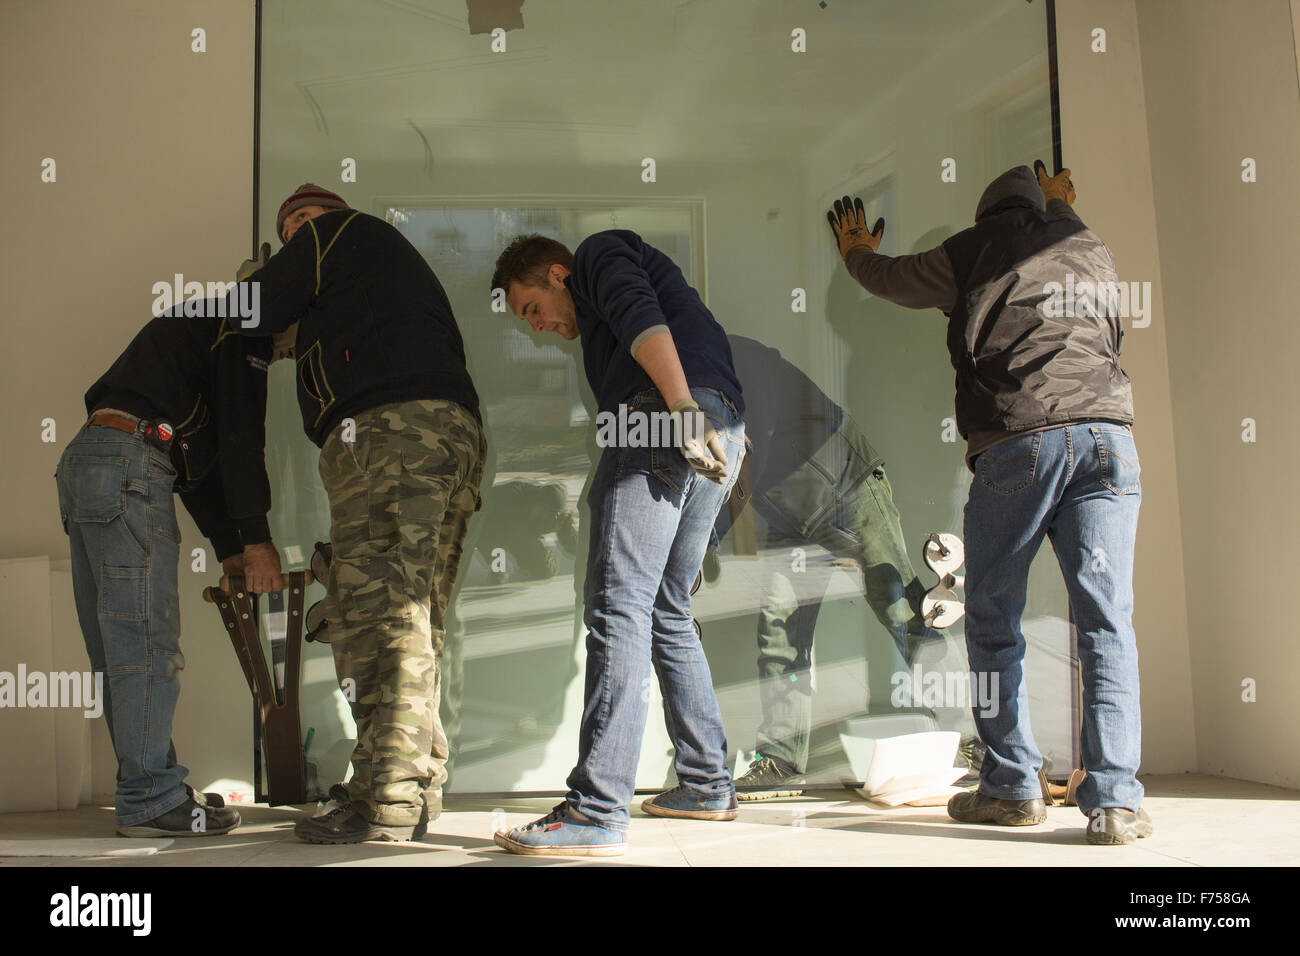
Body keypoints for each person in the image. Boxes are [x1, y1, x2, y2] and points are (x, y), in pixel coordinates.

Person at [827, 162, 1150, 845]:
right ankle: (1115, 802)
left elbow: (887, 279)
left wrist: (856, 249)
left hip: (1022, 441)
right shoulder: (1086, 243)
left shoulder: (972, 250)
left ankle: (1010, 785)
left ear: (986, 217)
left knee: (994, 618)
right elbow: (1067, 238)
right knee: (1106, 620)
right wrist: (1061, 203)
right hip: (1108, 440)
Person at [233, 183, 486, 844]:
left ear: (323, 222)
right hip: (444, 433)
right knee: (417, 615)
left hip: (386, 434)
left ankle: (382, 796)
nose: (296, 238)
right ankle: (415, 783)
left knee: (380, 618)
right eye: (288, 233)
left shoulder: (333, 239)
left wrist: (254, 281)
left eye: (300, 226)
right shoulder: (368, 274)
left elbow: (251, 314)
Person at [489, 230, 746, 856]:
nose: (538, 327)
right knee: (665, 609)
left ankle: (597, 809)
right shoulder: (600, 316)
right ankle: (708, 780)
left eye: (531, 309)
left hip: (668, 417)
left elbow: (639, 311)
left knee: (619, 605)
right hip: (721, 432)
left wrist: (678, 405)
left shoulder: (599, 254)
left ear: (556, 273)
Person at [54, 300, 277, 837]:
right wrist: (258, 542)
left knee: (115, 648)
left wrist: (228, 546)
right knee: (147, 643)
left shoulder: (195, 331)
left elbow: (195, 458)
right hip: (132, 461)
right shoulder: (243, 329)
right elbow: (238, 441)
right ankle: (150, 799)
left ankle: (152, 788)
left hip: (87, 458)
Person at [717, 335, 942, 799]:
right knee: (780, 632)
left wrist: (716, 529)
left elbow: (746, 447)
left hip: (847, 489)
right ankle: (781, 760)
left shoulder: (740, 355)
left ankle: (975, 735)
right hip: (784, 516)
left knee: (902, 610)